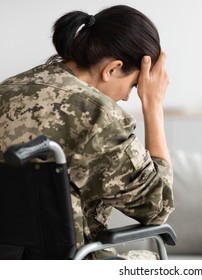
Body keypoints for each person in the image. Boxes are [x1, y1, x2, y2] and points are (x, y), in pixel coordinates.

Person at [0, 5, 174, 259]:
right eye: (134, 85)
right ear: (112, 69)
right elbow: (157, 208)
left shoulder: (6, 90)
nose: (127, 97)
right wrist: (154, 106)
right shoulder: (99, 117)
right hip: (73, 264)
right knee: (154, 261)